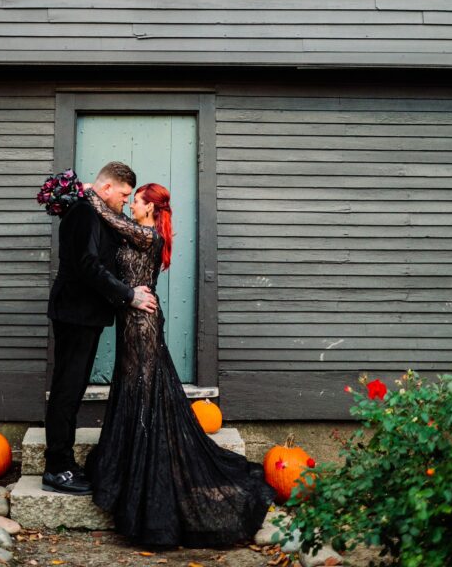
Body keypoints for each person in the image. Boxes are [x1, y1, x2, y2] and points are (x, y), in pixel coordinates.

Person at [83, 182, 278, 548]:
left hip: (142, 324)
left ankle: (147, 478)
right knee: (134, 390)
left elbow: (109, 217)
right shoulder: (138, 233)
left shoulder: (148, 236)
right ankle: (129, 464)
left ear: (150, 209)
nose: (131, 205)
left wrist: (90, 193)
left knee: (144, 392)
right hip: (130, 322)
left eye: (136, 201)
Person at [43, 161, 157, 495]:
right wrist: (129, 296)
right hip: (74, 315)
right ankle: (56, 468)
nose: (125, 200)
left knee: (74, 388)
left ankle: (63, 463)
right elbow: (87, 266)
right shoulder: (83, 213)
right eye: (123, 194)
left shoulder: (96, 211)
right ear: (107, 188)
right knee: (67, 390)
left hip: (86, 316)